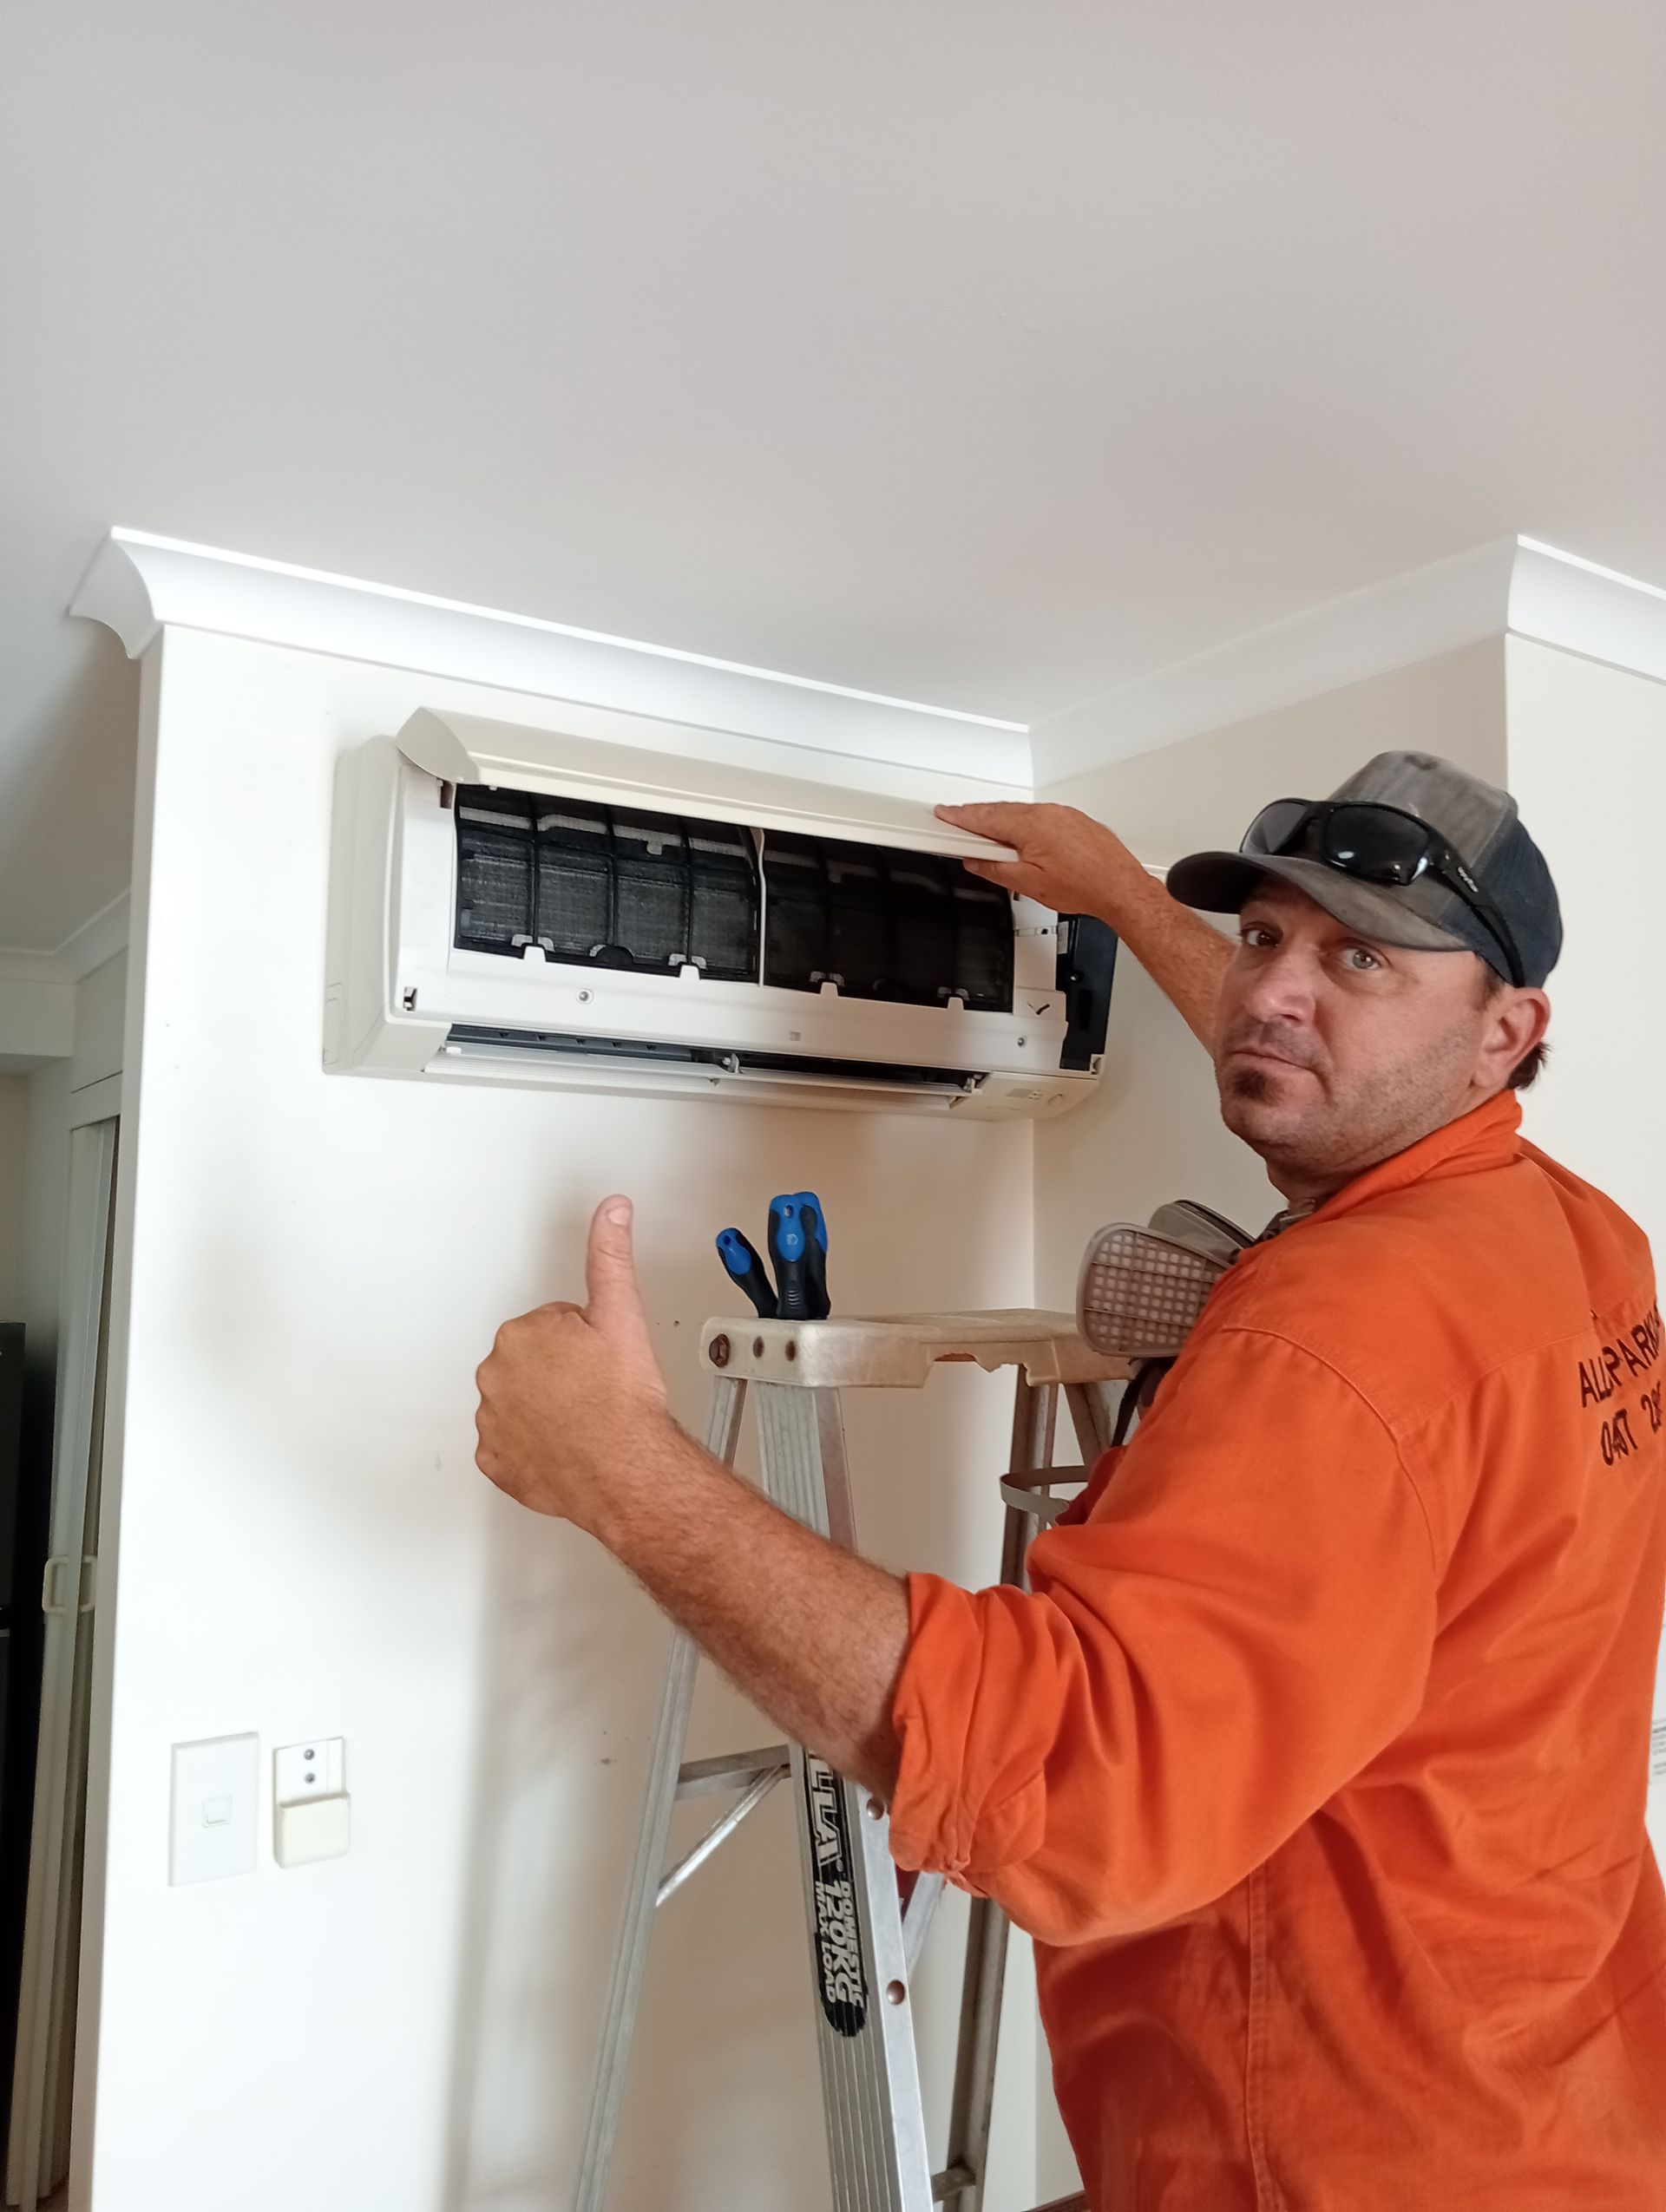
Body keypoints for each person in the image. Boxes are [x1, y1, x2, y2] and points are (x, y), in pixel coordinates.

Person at [474, 751, 1666, 2209]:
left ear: (1505, 1031)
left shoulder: (1337, 1344)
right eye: (1264, 938)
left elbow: (1083, 1786)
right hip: (1557, 2103)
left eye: (1360, 953)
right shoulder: (1580, 1243)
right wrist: (1118, 892)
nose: (1276, 990)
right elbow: (1317, 1052)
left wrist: (621, 1473)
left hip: (1332, 2153)